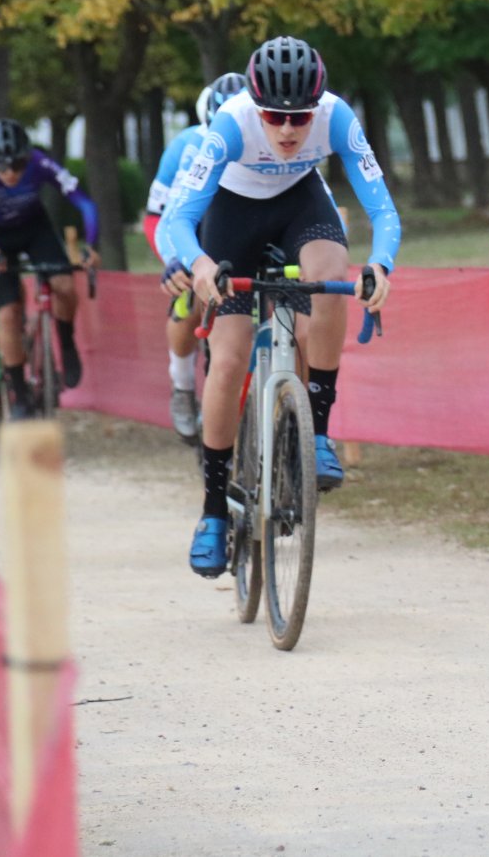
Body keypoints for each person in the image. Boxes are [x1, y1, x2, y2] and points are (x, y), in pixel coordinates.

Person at [161, 36, 398, 578]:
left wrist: (381, 265)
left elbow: (383, 209)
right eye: (275, 116)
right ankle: (214, 512)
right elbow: (178, 217)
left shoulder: (337, 117)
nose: (289, 130)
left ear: (318, 104)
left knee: (330, 275)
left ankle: (316, 432)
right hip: (231, 217)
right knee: (228, 358)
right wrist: (198, 265)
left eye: (300, 117)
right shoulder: (229, 125)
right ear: (254, 104)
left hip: (298, 206)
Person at [145, 71, 249, 442]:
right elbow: (159, 215)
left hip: (240, 225)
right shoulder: (186, 146)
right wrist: (173, 260)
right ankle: (183, 385)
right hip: (190, 227)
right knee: (187, 300)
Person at [0, 117, 100, 417]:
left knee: (64, 284)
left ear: (28, 157)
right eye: (3, 167)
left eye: (18, 165)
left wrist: (90, 244)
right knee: (8, 314)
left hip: (35, 229)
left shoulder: (40, 163)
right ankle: (20, 395)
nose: (11, 173)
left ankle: (66, 342)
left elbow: (85, 203)